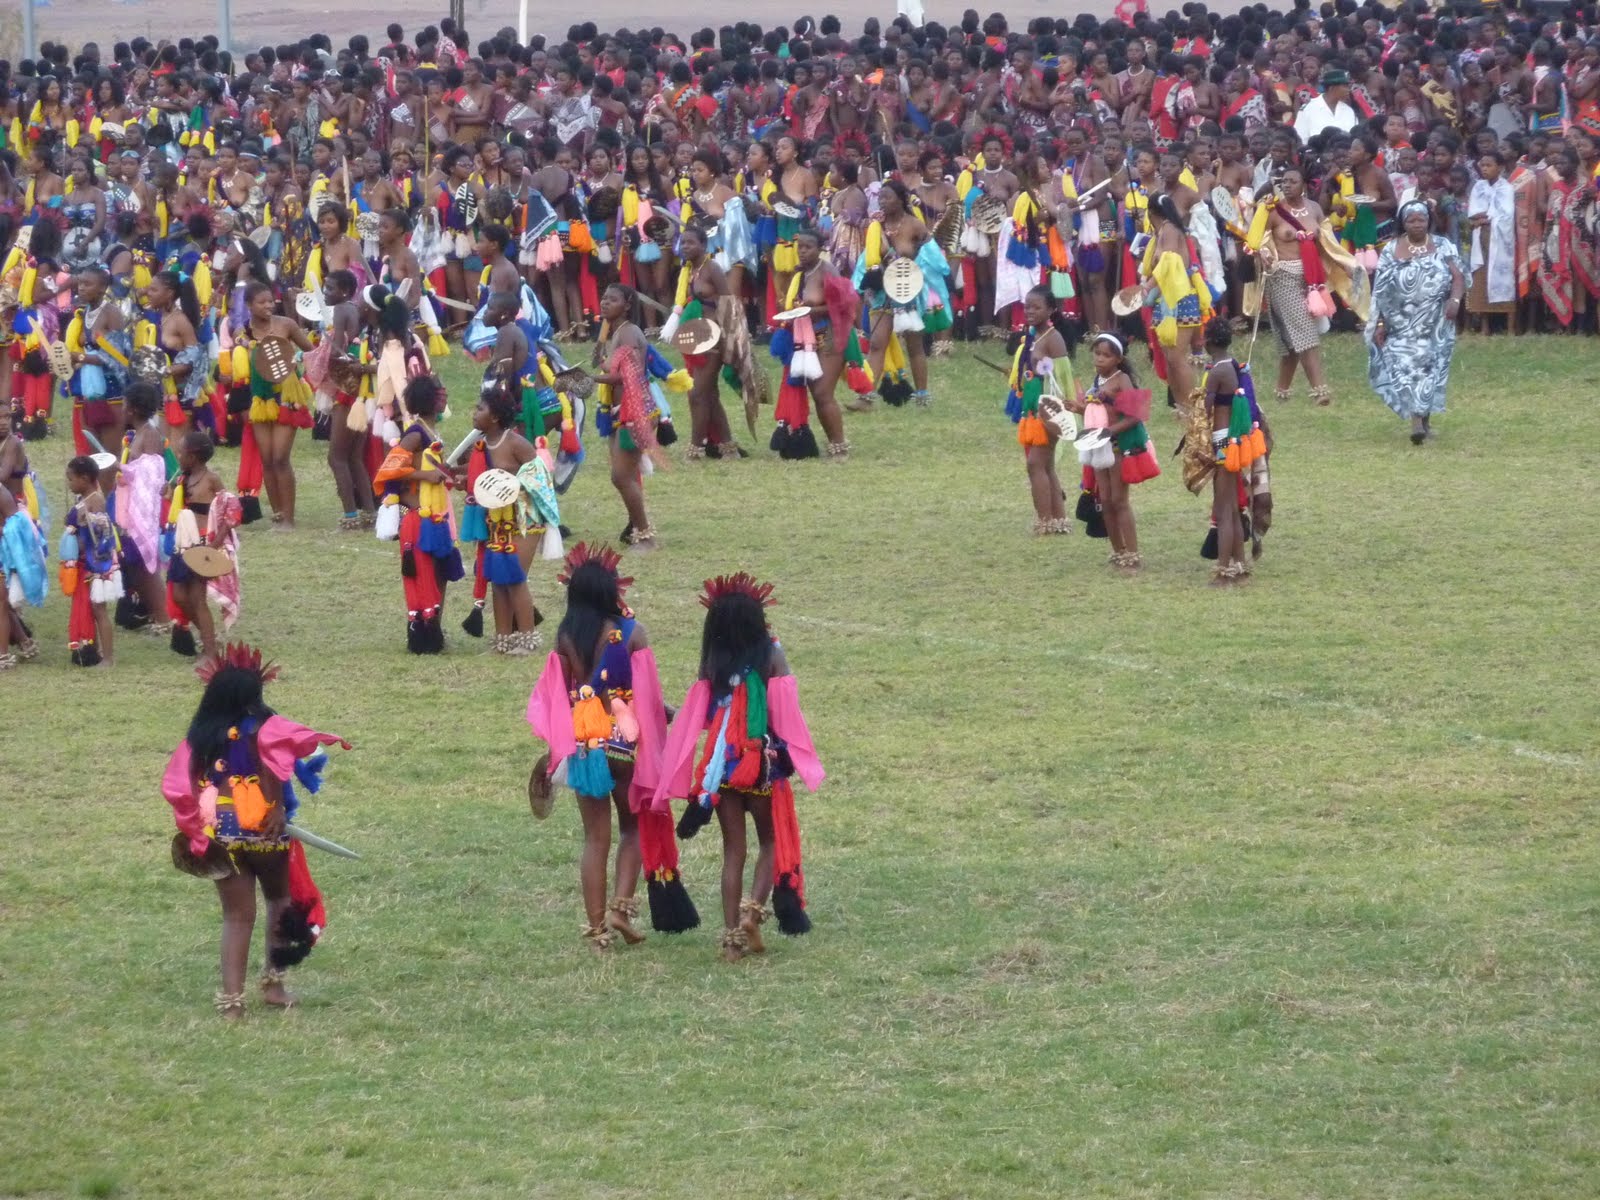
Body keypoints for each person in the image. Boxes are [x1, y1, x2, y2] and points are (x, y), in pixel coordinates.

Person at [160, 642, 352, 1017]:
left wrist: (195, 833)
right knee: (279, 902)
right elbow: (288, 756)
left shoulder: (198, 739)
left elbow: (179, 787)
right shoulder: (265, 728)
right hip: (266, 831)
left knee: (236, 916)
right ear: (252, 697)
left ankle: (231, 1002)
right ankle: (274, 987)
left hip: (222, 835)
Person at [525, 543, 697, 949]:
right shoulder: (633, 633)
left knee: (593, 838)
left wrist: (558, 747)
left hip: (586, 744)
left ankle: (597, 929)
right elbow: (648, 695)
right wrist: (671, 713)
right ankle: (621, 907)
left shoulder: (564, 637)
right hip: (625, 744)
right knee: (632, 828)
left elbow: (557, 695)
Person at [654, 571, 824, 962]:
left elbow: (700, 716)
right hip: (763, 765)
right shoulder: (772, 656)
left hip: (723, 770)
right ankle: (752, 914)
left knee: (734, 850)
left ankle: (731, 940)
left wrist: (673, 715)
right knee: (770, 841)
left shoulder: (712, 663)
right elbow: (785, 717)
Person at [464, 382, 560, 656]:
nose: (474, 413)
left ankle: (527, 639)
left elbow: (541, 479)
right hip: (496, 521)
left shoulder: (516, 442)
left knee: (515, 577)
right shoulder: (481, 446)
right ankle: (502, 640)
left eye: (479, 408)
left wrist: (509, 486)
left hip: (525, 520)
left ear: (494, 417)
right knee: (498, 578)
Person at [372, 374, 464, 653]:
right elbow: (389, 469)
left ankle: (435, 627)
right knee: (425, 573)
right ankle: (425, 634)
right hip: (420, 513)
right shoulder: (415, 434)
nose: (444, 396)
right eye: (439, 393)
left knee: (442, 570)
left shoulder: (431, 431)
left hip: (439, 509)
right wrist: (426, 474)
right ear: (430, 400)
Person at [1366, 201, 1464, 446]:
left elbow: (1458, 276)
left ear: (1428, 221)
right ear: (1403, 223)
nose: (1417, 224)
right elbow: (1380, 290)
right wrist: (1379, 323)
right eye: (1411, 220)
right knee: (1408, 369)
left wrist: (1455, 299)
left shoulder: (1443, 245)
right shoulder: (1391, 249)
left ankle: (1424, 421)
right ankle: (1416, 422)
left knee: (1431, 368)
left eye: (1421, 219)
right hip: (1401, 324)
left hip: (1436, 321)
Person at [1065, 334, 1159, 572]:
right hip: (1099, 447)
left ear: (1118, 358)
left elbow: (1134, 415)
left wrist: (1109, 431)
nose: (1099, 359)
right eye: (1097, 354)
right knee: (1105, 500)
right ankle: (1118, 552)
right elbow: (1098, 411)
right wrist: (1079, 408)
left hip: (1117, 447)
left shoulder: (1122, 379)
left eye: (1106, 355)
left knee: (1119, 500)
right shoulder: (1098, 379)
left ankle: (1133, 554)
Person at [587, 285, 660, 549]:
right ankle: (637, 528)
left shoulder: (628, 332)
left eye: (613, 300)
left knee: (621, 476)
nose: (605, 303)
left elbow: (626, 376)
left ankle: (645, 535)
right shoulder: (616, 331)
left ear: (627, 305)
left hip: (635, 411)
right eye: (604, 298)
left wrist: (588, 379)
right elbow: (609, 365)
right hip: (621, 412)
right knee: (624, 475)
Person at [1195, 318, 1267, 584]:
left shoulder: (1217, 372)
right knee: (1233, 508)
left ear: (1208, 341)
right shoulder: (1234, 365)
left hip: (1223, 440)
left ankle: (1224, 569)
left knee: (1224, 507)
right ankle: (1239, 564)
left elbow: (1206, 409)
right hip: (1235, 440)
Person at [240, 281, 315, 528]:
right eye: (262, 302)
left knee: (281, 457)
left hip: (287, 398)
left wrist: (294, 361)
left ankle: (289, 519)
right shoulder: (242, 333)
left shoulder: (286, 325)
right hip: (261, 400)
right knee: (268, 459)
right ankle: (278, 515)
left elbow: (311, 352)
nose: (268, 306)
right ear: (249, 305)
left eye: (271, 301)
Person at [164, 430, 243, 660]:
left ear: (194, 456)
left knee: (197, 598)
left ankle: (210, 651)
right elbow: (178, 504)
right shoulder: (182, 478)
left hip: (203, 542)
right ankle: (209, 638)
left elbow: (231, 509)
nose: (178, 456)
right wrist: (167, 494)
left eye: (181, 452)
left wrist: (216, 543)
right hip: (183, 541)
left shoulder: (212, 479)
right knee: (179, 595)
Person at [1005, 286, 1074, 535]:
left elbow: (1063, 379)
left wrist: (1056, 412)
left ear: (1051, 310)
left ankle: (1045, 521)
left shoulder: (1053, 339)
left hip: (1049, 410)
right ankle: (1057, 520)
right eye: (1027, 306)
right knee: (1045, 465)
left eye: (1036, 307)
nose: (1030, 311)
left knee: (1036, 463)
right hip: (1035, 410)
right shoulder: (1035, 335)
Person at [63, 454, 125, 667]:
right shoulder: (83, 499)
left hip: (97, 562)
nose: (69, 484)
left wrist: (86, 522)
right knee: (91, 607)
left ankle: (108, 658)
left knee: (99, 609)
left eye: (71, 479)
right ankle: (96, 651)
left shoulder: (96, 500)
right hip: (85, 561)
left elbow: (102, 532)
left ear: (85, 478)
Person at [1467, 150, 1516, 333]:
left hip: (1501, 242)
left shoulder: (1506, 188)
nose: (1485, 169)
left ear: (1500, 167)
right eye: (1482, 165)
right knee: (1480, 278)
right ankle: (1485, 327)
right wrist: (1482, 218)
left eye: (1489, 165)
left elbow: (1506, 215)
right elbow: (1473, 213)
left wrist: (1484, 218)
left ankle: (1510, 327)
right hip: (1480, 239)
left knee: (1504, 279)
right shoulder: (1478, 186)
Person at [1294, 68, 1360, 142]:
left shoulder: (1349, 111)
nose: (1348, 90)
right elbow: (1300, 138)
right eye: (1345, 86)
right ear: (1332, 88)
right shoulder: (1308, 109)